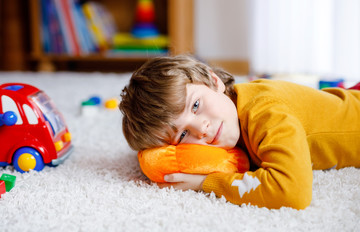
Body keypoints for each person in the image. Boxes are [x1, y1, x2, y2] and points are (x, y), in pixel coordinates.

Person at [119, 55, 360, 209]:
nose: (201, 129)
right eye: (182, 135)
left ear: (214, 81)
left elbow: (292, 191)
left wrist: (205, 183)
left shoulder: (264, 111)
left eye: (195, 105)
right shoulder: (231, 110)